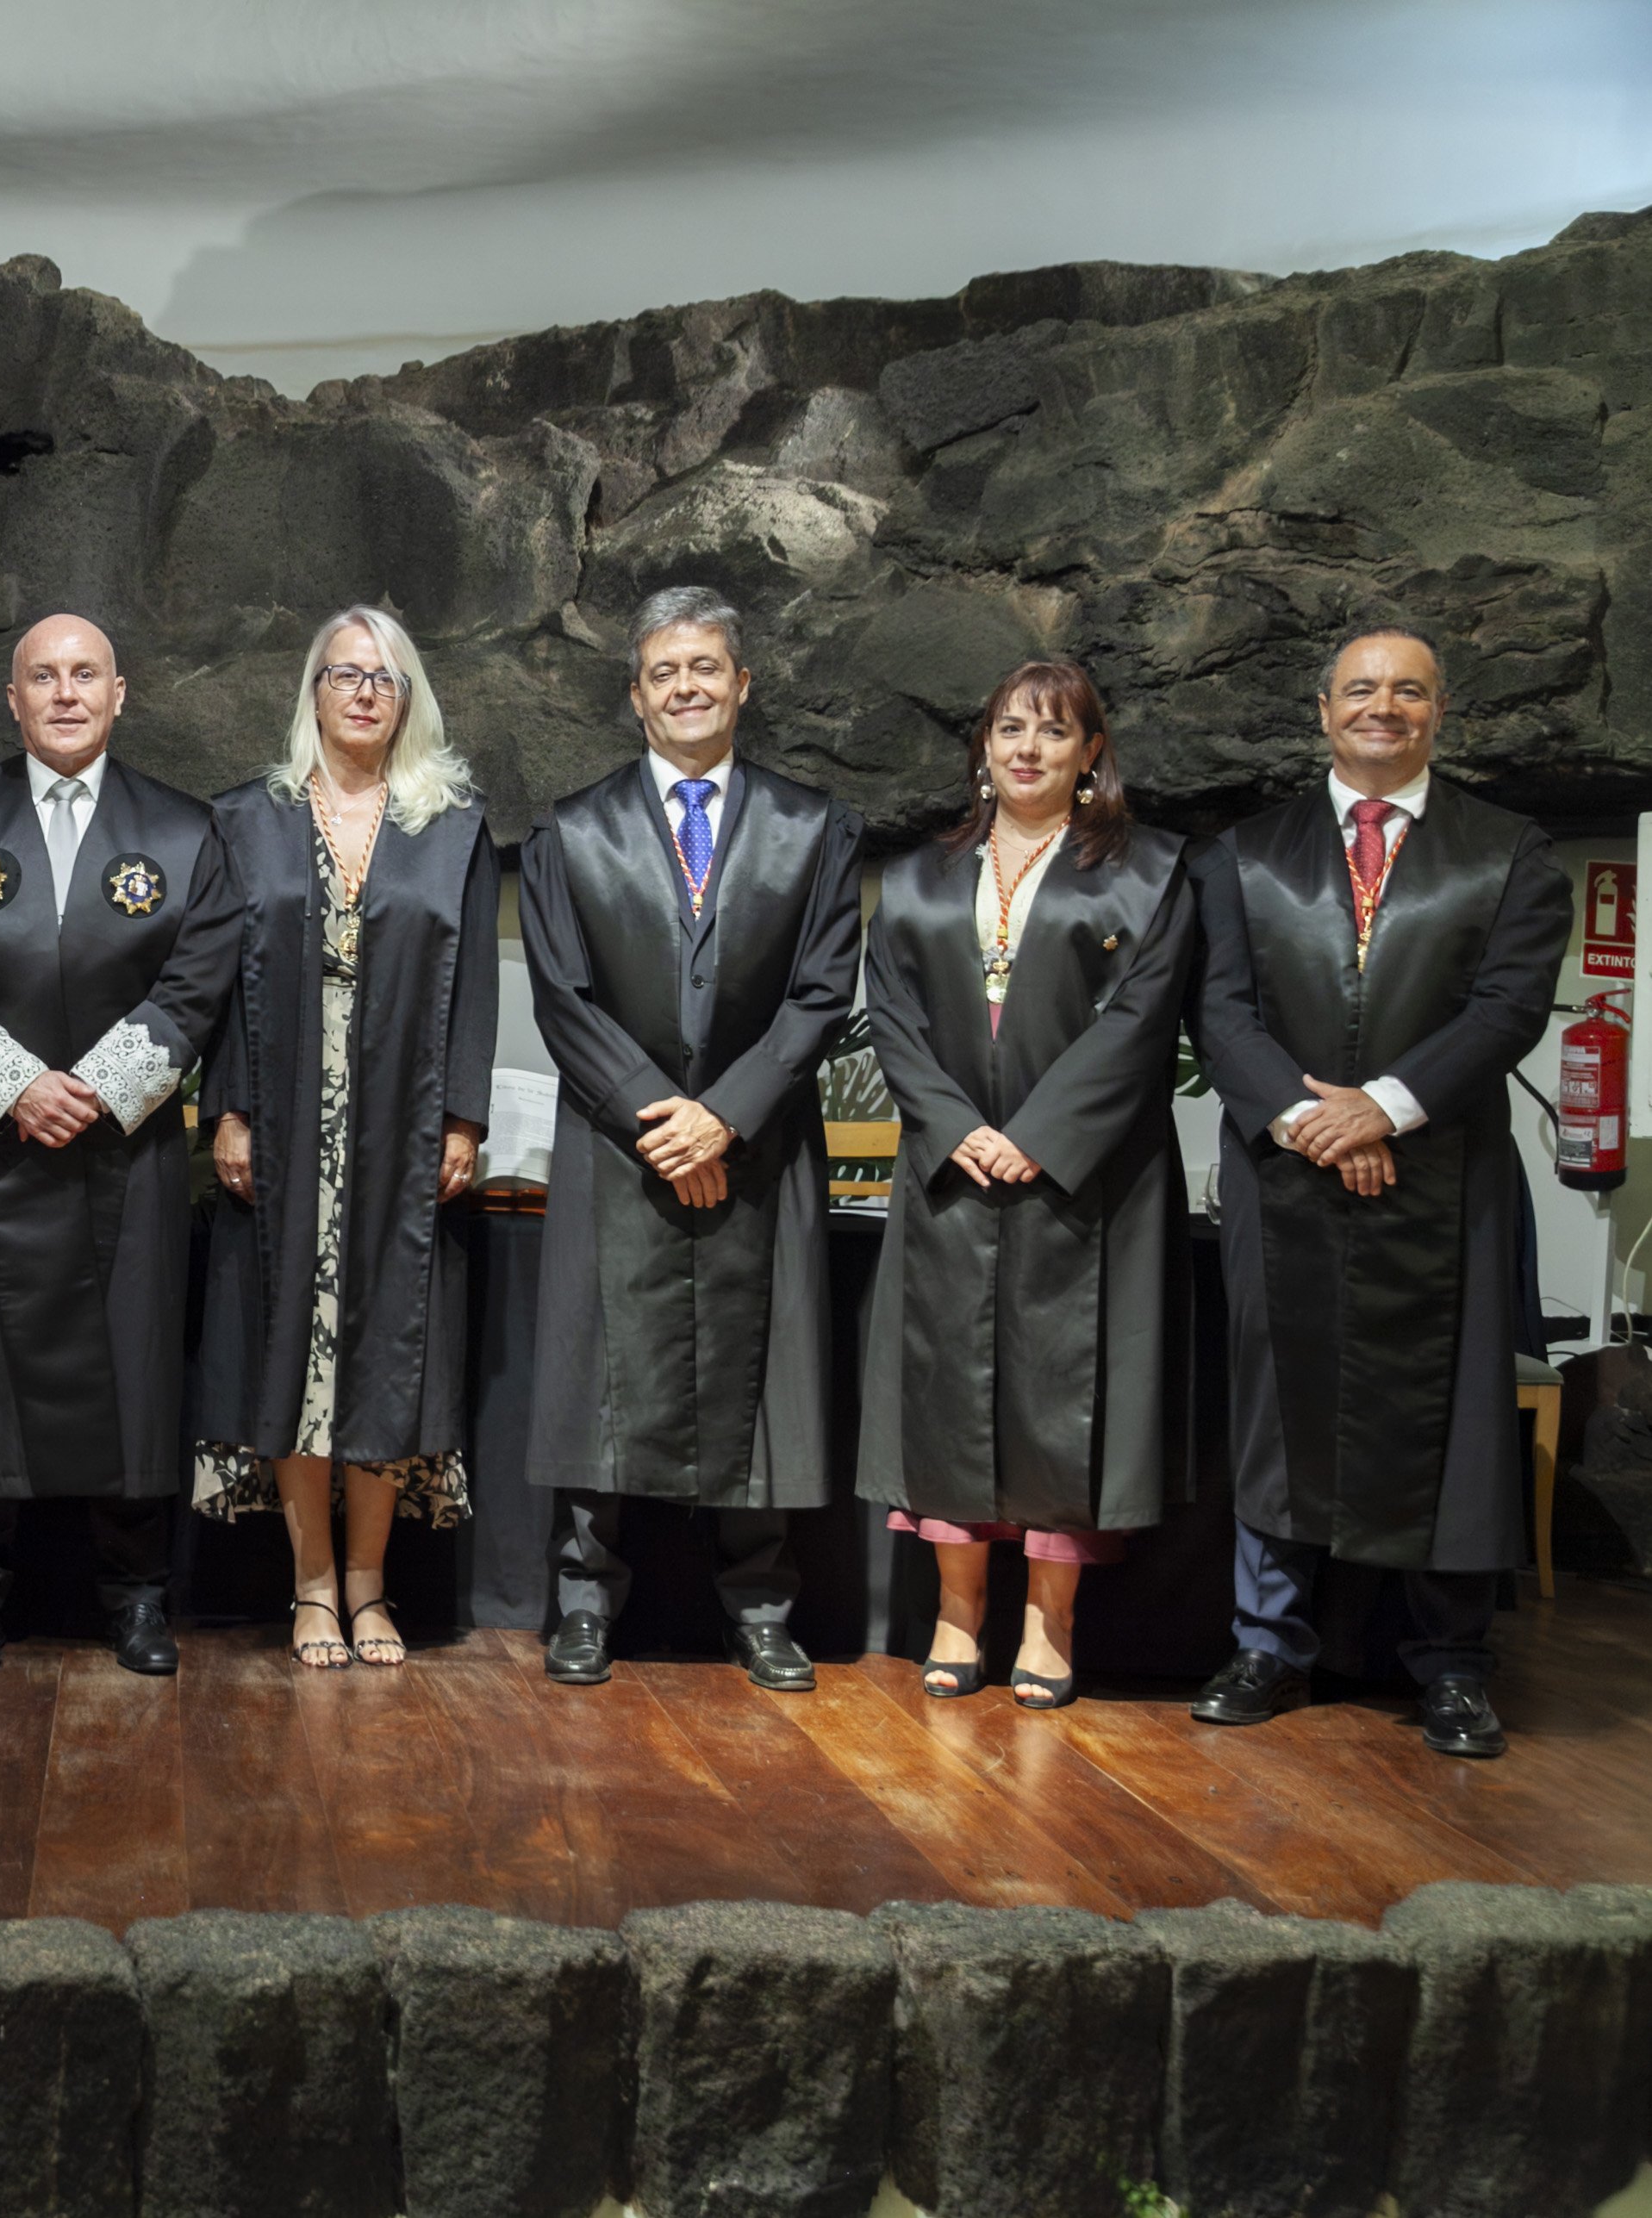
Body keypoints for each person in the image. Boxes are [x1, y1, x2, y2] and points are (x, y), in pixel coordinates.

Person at [1188, 626, 1568, 1758]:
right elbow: (1219, 1011)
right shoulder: (1244, 854)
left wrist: (1388, 1105)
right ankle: (1269, 1642)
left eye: (1409, 691)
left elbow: (1506, 1009)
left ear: (1440, 712)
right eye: (1361, 689)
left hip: (1440, 1176)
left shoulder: (1507, 850)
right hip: (1284, 1175)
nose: (1383, 707)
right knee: (1277, 1408)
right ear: (1321, 708)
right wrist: (1315, 1120)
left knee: (1450, 1422)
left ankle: (1450, 1662)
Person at [518, 584, 863, 1692]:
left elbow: (820, 993)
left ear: (742, 683)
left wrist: (728, 1114)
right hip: (622, 1149)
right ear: (636, 695)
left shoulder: (815, 826)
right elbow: (563, 996)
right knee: (600, 1374)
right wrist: (654, 1115)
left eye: (706, 667)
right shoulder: (571, 830)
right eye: (665, 672)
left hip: (758, 1149)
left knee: (760, 1381)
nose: (686, 687)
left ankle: (761, 1609)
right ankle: (581, 1606)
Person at [0, 612, 240, 1676]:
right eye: (44, 676)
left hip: (119, 1157)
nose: (67, 692)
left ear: (120, 693)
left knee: (130, 1371)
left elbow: (200, 976)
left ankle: (136, 1598)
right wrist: (12, 1087)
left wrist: (91, 1090)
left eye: (87, 674)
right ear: (14, 699)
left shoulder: (182, 832)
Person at [858, 660, 1204, 1708]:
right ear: (982, 746)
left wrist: (1042, 1135)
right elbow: (892, 1011)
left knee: (1067, 1396)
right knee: (949, 1390)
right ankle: (958, 1615)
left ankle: (1050, 1628)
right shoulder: (921, 875)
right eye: (1009, 728)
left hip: (1089, 1182)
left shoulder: (1151, 873)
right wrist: (959, 1127)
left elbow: (1142, 1021)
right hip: (952, 1175)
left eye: (1054, 733)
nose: (1027, 749)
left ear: (1091, 752)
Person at [194, 606, 498, 1668]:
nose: (365, 691)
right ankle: (310, 1585)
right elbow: (215, 979)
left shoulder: (452, 823)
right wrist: (226, 1102)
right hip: (282, 1117)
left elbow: (476, 989)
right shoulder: (247, 819)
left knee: (381, 1356)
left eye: (386, 678)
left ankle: (371, 1588)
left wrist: (464, 1113)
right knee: (293, 1350)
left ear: (408, 700)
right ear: (312, 692)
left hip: (403, 1126)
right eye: (345, 674)